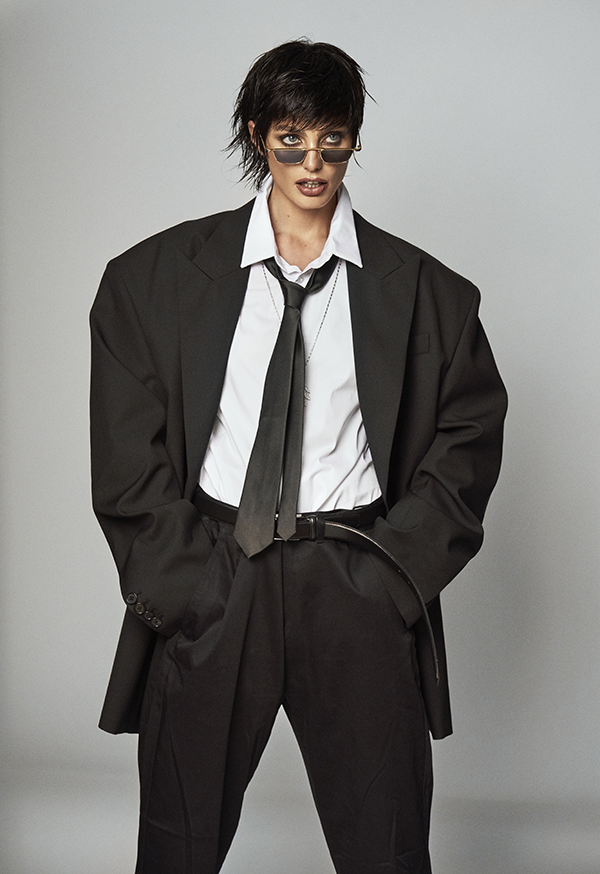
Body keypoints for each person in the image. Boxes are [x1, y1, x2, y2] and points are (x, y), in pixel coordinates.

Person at [90, 39, 507, 874]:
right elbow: (126, 449)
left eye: (332, 140)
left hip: (355, 580)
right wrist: (185, 586)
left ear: (353, 139)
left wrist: (394, 579)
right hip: (217, 575)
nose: (312, 163)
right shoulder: (151, 280)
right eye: (291, 140)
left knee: (387, 845)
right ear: (257, 136)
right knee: (177, 843)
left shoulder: (429, 293)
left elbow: (469, 438)